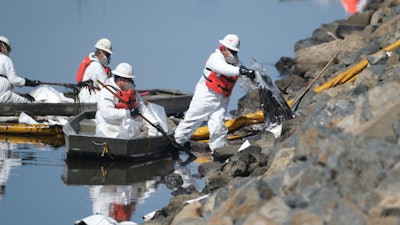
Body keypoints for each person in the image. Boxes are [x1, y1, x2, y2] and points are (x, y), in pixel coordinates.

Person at [174, 34, 255, 151]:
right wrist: (241, 71)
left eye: (235, 52)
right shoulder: (215, 59)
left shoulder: (237, 64)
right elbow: (225, 69)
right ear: (222, 48)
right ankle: (176, 143)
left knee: (218, 126)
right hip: (206, 95)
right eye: (231, 51)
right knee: (191, 121)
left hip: (222, 98)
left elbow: (243, 74)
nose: (234, 54)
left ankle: (218, 151)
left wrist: (252, 74)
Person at [95, 62, 148, 139]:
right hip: (109, 129)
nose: (131, 83)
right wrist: (127, 113)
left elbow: (143, 108)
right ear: (120, 80)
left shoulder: (132, 91)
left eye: (131, 80)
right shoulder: (107, 91)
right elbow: (106, 112)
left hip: (125, 128)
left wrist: (154, 124)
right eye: (129, 81)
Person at [0, 35, 41, 103]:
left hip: (4, 94)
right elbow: (14, 80)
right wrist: (29, 82)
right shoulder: (5, 59)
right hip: (3, 94)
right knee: (28, 102)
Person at [76, 38, 113, 103]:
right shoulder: (97, 66)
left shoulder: (91, 63)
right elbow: (106, 87)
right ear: (99, 53)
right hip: (90, 98)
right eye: (107, 55)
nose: (108, 58)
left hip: (83, 96)